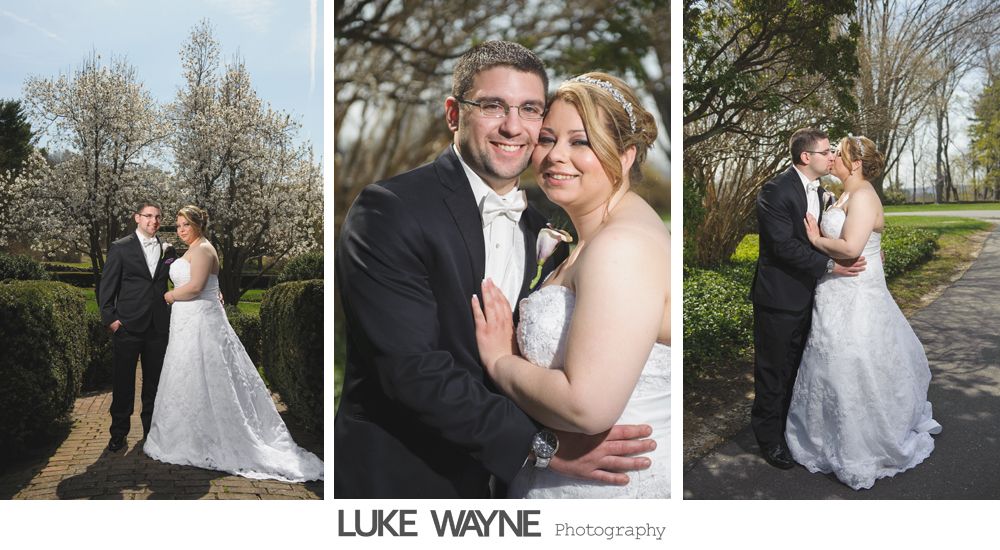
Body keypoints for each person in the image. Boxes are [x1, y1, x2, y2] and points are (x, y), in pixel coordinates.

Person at [334, 41, 655, 498]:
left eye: (530, 110)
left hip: (517, 489)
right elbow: (410, 369)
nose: (513, 126)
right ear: (453, 114)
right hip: (407, 480)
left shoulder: (547, 226)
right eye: (492, 106)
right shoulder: (390, 210)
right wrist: (539, 447)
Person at [471, 72, 670, 498]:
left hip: (604, 494)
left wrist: (500, 361)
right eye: (546, 139)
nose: (555, 156)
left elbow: (587, 407)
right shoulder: (592, 237)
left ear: (627, 154)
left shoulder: (622, 246)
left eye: (580, 142)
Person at [785, 136, 941, 490]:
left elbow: (852, 247)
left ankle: (863, 442)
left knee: (852, 360)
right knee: (826, 362)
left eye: (839, 153)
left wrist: (814, 239)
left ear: (855, 164)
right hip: (834, 292)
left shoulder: (864, 195)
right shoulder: (842, 194)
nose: (833, 157)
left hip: (855, 292)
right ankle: (825, 438)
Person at [143, 205, 323, 482]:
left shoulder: (203, 249)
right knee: (187, 377)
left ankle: (215, 438)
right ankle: (187, 433)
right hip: (186, 322)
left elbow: (196, 287)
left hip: (201, 322)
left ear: (198, 225)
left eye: (185, 225)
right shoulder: (193, 249)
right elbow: (205, 284)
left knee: (209, 376)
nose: (180, 230)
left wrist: (168, 297)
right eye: (178, 225)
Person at [749, 128, 866, 469]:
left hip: (814, 297)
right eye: (826, 151)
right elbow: (783, 246)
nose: (832, 156)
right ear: (806, 157)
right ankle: (769, 440)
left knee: (796, 369)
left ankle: (788, 428)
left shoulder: (824, 191)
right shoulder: (775, 191)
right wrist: (831, 265)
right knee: (772, 371)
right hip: (779, 297)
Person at [99, 201, 176, 453]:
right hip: (128, 326)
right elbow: (107, 287)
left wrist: (213, 290)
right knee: (123, 383)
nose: (153, 221)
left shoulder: (168, 250)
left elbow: (185, 276)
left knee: (154, 384)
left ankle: (150, 434)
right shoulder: (120, 248)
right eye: (148, 216)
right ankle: (118, 434)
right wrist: (111, 319)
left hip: (157, 327)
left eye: (157, 217)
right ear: (137, 218)